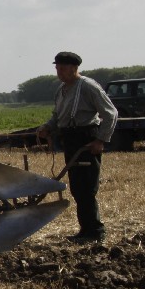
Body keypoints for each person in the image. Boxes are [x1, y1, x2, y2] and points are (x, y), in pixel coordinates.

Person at [35, 51, 119, 243]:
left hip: (86, 138)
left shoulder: (88, 86)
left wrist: (100, 140)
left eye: (62, 69)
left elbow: (111, 113)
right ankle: (85, 229)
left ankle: (95, 231)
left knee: (87, 187)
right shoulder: (61, 90)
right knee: (77, 188)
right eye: (57, 69)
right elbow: (57, 117)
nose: (59, 73)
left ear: (74, 68)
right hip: (71, 139)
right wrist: (47, 127)